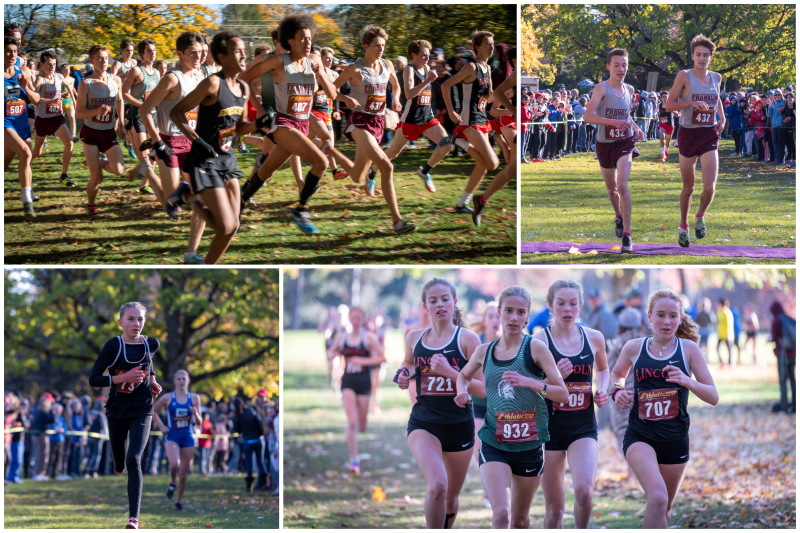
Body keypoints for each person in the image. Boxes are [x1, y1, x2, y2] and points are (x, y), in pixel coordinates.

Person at [455, 286, 568, 529]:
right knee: (502, 514)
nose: (514, 318)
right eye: (508, 311)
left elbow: (563, 393)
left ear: (528, 316)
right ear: (499, 312)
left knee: (519, 519)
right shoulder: (483, 351)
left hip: (529, 445)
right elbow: (462, 376)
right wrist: (461, 391)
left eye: (520, 312)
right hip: (494, 443)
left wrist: (532, 383)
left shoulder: (536, 349)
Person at [609, 288, 718, 528]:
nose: (666, 322)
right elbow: (616, 374)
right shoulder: (634, 347)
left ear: (680, 318)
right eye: (660, 315)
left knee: (665, 506)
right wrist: (616, 391)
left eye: (672, 315)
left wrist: (686, 380)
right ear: (649, 316)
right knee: (657, 498)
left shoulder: (689, 350)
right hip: (640, 435)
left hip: (675, 438)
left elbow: (713, 396)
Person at [238, 15, 357, 234]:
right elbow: (243, 79)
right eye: (302, 38)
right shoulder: (277, 62)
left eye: (309, 38)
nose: (308, 42)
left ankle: (240, 201)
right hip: (283, 123)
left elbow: (331, 93)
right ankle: (301, 209)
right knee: (320, 162)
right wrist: (261, 107)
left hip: (303, 122)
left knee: (266, 172)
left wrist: (320, 73)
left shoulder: (314, 61)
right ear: (289, 41)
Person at [395, 278, 483, 528]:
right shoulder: (414, 338)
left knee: (451, 498)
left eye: (445, 299)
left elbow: (483, 389)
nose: (440, 304)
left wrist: (452, 373)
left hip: (459, 425)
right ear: (425, 306)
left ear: (454, 303)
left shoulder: (467, 340)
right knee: (438, 486)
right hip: (424, 423)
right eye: (433, 300)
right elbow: (408, 364)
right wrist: (403, 375)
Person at [170, 31, 257, 264]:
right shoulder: (211, 83)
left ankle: (207, 268)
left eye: (243, 50)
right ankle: (188, 195)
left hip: (227, 161)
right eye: (237, 51)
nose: (243, 55)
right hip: (204, 161)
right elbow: (176, 112)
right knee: (224, 226)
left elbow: (238, 129)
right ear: (223, 57)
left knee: (233, 226)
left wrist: (260, 123)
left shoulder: (243, 88)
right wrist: (196, 139)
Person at [322, 25, 417, 234]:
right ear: (366, 46)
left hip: (378, 122)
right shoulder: (354, 69)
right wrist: (345, 98)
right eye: (376, 46)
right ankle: (397, 221)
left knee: (357, 175)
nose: (381, 49)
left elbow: (395, 83)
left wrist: (398, 99)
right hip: (359, 122)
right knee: (387, 166)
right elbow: (331, 90)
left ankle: (329, 150)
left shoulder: (387, 64)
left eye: (383, 45)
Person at [534, 280, 609, 529]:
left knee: (585, 492)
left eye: (573, 304)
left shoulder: (594, 338)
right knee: (554, 511)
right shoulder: (539, 341)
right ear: (550, 306)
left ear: (580, 306)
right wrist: (555, 378)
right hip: (549, 431)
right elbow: (530, 388)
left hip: (583, 426)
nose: (567, 309)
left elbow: (603, 368)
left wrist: (603, 389)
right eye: (561, 303)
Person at [88, 301, 163, 529]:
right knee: (120, 462)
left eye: (140, 319)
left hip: (142, 408)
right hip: (117, 410)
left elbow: (149, 367)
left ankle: (134, 519)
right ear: (121, 322)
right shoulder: (113, 346)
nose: (136, 323)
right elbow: (94, 379)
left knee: (134, 459)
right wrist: (123, 378)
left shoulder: (150, 344)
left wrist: (152, 381)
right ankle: (117, 465)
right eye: (131, 319)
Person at [139, 31, 207, 264]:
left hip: (192, 141)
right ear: (180, 53)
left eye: (200, 53)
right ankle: (147, 171)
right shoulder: (172, 78)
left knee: (203, 200)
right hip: (168, 142)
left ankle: (191, 254)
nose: (198, 57)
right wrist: (157, 141)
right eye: (192, 54)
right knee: (171, 202)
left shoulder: (202, 75)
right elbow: (144, 110)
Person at [365, 39, 452, 193]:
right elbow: (410, 93)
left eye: (428, 55)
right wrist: (428, 81)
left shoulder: (427, 69)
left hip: (427, 118)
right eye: (423, 55)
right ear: (413, 55)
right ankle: (371, 174)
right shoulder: (409, 70)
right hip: (410, 121)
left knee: (446, 144)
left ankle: (424, 171)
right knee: (392, 153)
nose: (427, 58)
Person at [664, 35, 725, 248]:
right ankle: (683, 226)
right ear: (692, 56)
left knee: (710, 188)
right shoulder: (684, 76)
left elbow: (716, 98)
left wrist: (722, 116)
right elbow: (669, 105)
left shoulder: (716, 78)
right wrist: (690, 103)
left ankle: (700, 216)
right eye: (698, 55)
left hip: (708, 133)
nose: (702, 58)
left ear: (711, 57)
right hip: (688, 133)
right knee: (688, 187)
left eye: (706, 55)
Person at [583, 49, 644, 253]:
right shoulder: (601, 88)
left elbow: (626, 114)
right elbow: (588, 117)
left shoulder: (630, 89)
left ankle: (627, 236)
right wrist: (612, 122)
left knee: (622, 185)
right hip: (604, 144)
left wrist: (634, 127)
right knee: (612, 190)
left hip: (625, 142)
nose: (621, 69)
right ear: (608, 66)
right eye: (616, 65)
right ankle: (618, 216)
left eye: (624, 65)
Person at [441, 31, 500, 214]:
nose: (491, 48)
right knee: (493, 163)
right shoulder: (471, 68)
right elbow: (445, 85)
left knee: (483, 166)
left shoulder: (488, 69)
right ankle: (458, 140)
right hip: (468, 121)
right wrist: (451, 111)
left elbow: (488, 96)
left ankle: (461, 204)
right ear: (477, 47)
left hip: (482, 121)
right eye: (488, 44)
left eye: (492, 44)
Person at [329, 307, 385, 474]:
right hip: (348, 382)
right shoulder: (341, 337)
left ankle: (359, 430)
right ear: (349, 319)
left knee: (361, 425)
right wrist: (336, 355)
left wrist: (362, 360)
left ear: (363, 320)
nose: (355, 321)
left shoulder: (368, 337)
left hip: (364, 382)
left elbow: (382, 357)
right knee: (351, 421)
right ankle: (354, 459)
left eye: (358, 318)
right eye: (352, 318)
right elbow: (331, 351)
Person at [76, 44, 127, 219]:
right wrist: (96, 111)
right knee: (95, 176)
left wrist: (120, 124)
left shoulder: (116, 80)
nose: (103, 61)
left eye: (106, 58)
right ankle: (91, 206)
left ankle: (100, 164)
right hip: (91, 132)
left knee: (119, 169)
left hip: (108, 132)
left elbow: (119, 101)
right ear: (91, 61)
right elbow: (78, 113)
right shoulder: (86, 84)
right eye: (99, 58)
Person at [472, 46, 517, 227]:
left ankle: (482, 200)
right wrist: (513, 111)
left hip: (520, 124)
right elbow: (493, 105)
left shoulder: (520, 78)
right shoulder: (512, 79)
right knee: (512, 164)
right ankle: (481, 200)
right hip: (508, 123)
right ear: (514, 61)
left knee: (512, 168)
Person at [605, 307, 647, 479]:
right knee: (641, 432)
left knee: (625, 431)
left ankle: (632, 473)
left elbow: (611, 368)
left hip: (623, 394)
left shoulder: (620, 342)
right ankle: (640, 472)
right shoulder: (646, 341)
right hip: (643, 394)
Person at [152, 370, 201, 511]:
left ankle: (178, 501)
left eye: (184, 379)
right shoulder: (168, 397)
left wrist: (196, 414)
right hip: (172, 436)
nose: (181, 381)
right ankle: (172, 481)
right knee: (174, 464)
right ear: (175, 381)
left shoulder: (195, 398)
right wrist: (161, 426)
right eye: (179, 379)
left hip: (187, 437)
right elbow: (153, 411)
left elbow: (199, 422)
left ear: (188, 381)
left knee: (184, 474)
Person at [4, 35, 40, 217]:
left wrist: (25, 87)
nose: (12, 54)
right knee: (26, 152)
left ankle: (26, 192)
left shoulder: (24, 71)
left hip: (21, 123)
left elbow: (37, 100)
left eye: (15, 51)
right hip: (4, 123)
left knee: (5, 164)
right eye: (8, 51)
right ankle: (27, 199)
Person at [121, 38, 162, 197]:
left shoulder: (157, 73)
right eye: (149, 51)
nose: (152, 54)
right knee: (144, 156)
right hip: (136, 116)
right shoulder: (136, 71)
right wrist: (141, 104)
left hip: (153, 116)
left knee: (155, 151)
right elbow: (124, 93)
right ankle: (159, 188)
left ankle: (142, 181)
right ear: (142, 54)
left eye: (154, 50)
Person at [30, 50, 76, 187]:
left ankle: (64, 175)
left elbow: (68, 85)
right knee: (37, 151)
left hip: (57, 118)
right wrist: (52, 99)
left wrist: (74, 100)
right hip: (43, 120)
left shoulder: (59, 76)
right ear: (42, 65)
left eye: (54, 64)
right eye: (49, 65)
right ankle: (26, 163)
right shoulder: (40, 80)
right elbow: (35, 100)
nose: (52, 67)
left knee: (69, 142)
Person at [232, 396, 267, 492]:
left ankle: (249, 486)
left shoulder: (237, 415)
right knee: (261, 462)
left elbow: (237, 430)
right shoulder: (250, 411)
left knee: (249, 464)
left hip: (247, 441)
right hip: (257, 440)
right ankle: (264, 483)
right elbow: (258, 422)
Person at [769, 301, 796, 413]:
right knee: (793, 380)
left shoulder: (776, 321)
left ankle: (784, 406)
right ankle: (795, 404)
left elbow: (774, 337)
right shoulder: (788, 319)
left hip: (783, 355)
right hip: (793, 354)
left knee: (783, 381)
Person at [657, 91, 678, 162]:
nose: (664, 98)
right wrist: (654, 115)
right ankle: (662, 154)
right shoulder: (659, 105)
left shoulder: (670, 105)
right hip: (662, 124)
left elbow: (677, 114)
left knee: (668, 141)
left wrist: (672, 111)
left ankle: (666, 150)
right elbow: (655, 111)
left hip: (670, 125)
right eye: (663, 97)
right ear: (661, 98)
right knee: (662, 137)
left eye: (666, 97)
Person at [716, 299, 734, 367]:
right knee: (717, 348)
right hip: (721, 334)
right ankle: (722, 362)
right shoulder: (719, 312)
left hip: (727, 334)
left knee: (729, 350)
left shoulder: (727, 312)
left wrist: (720, 323)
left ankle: (730, 364)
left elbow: (728, 323)